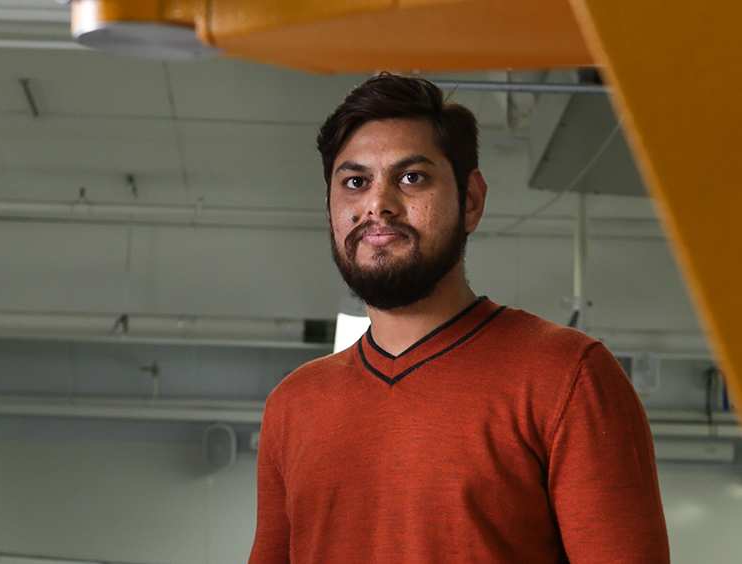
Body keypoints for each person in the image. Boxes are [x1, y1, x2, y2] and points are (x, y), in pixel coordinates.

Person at [248, 73, 669, 563]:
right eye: (355, 182)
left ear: (471, 201)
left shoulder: (569, 377)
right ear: (330, 209)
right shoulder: (292, 406)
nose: (378, 204)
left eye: (412, 177)